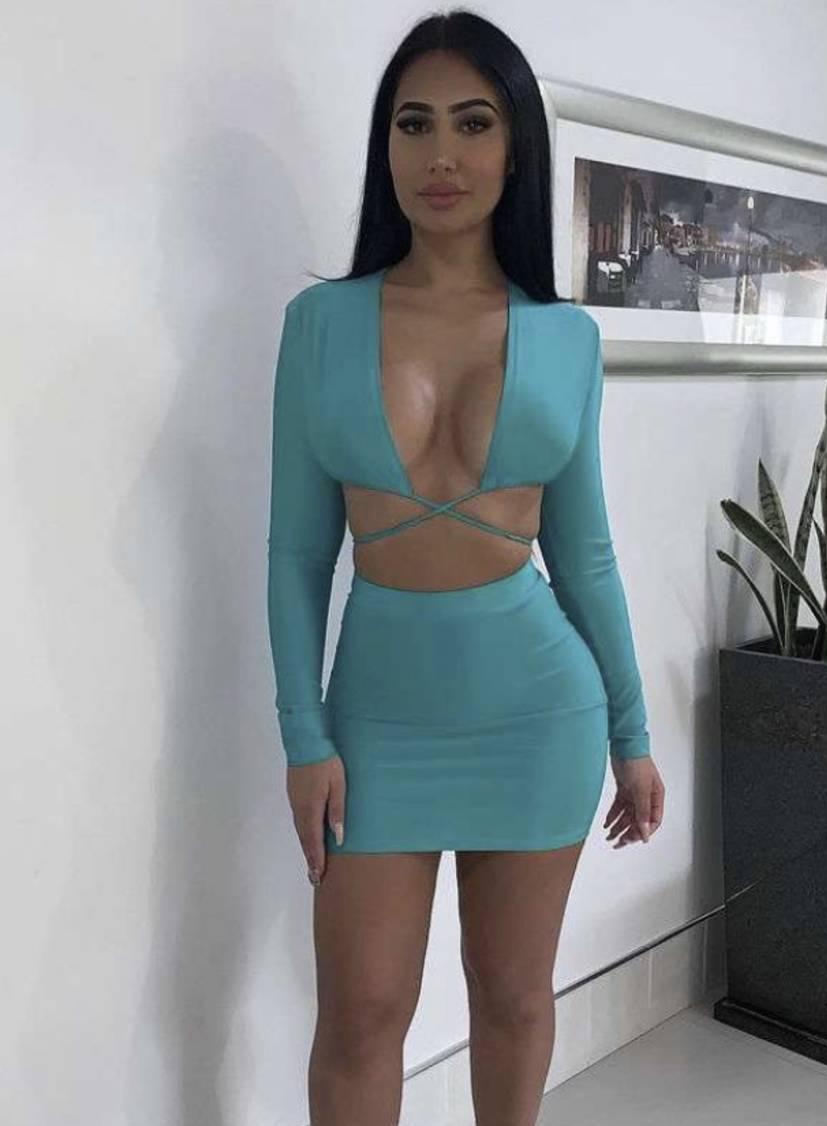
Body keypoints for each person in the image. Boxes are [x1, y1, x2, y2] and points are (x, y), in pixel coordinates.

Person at [265, 10, 665, 1124]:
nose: (440, 154)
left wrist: (632, 734)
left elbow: (584, 556)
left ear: (516, 146)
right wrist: (304, 738)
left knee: (513, 998)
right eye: (414, 123)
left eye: (473, 124)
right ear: (385, 145)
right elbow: (297, 553)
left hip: (540, 712)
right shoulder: (320, 322)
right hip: (378, 721)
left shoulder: (566, 337)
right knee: (360, 1017)